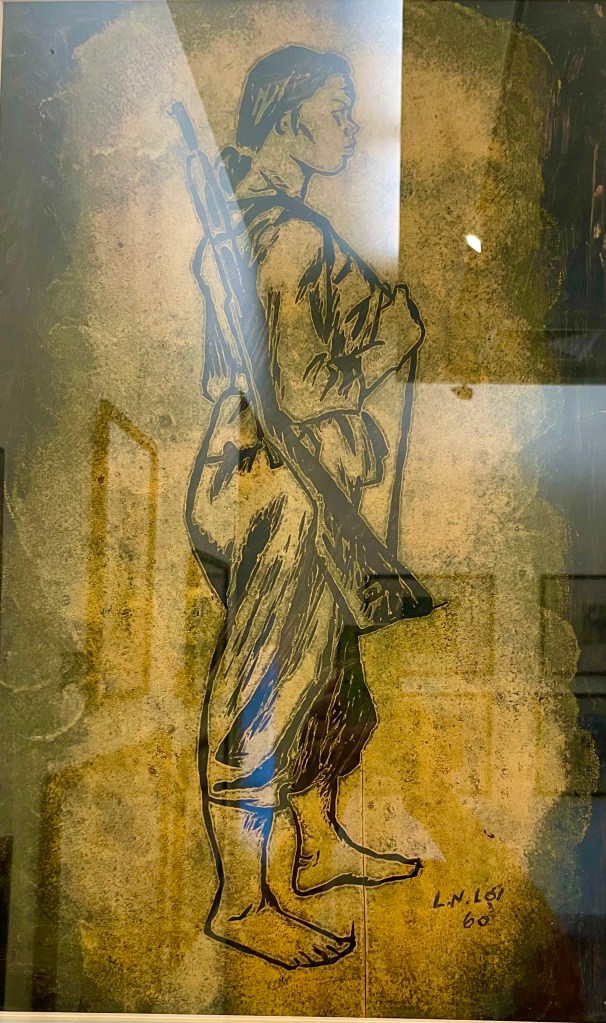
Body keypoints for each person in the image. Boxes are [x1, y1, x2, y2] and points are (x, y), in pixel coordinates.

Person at [183, 44, 436, 971]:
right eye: (338, 108)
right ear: (290, 116)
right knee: (266, 683)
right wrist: (392, 335)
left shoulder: (268, 223)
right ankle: (242, 900)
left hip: (283, 476)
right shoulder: (284, 234)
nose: (351, 128)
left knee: (329, 677)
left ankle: (318, 846)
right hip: (276, 484)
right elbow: (296, 389)